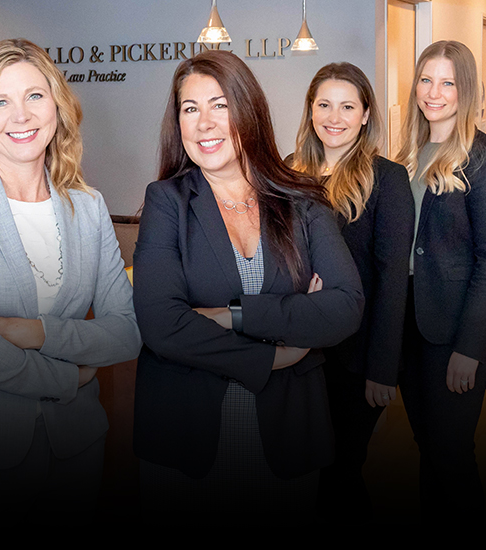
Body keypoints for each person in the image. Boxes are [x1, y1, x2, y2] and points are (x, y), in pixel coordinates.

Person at [133, 49, 364, 523]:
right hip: (187, 432)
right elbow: (161, 325)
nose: (204, 123)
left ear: (248, 111)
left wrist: (230, 315)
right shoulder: (166, 202)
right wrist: (280, 349)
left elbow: (345, 306)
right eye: (189, 109)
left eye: (219, 105)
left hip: (286, 432)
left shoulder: (302, 200)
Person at [0, 38, 139, 521]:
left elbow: (126, 331)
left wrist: (37, 333)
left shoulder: (89, 205)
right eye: (0, 101)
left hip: (74, 446)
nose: (21, 115)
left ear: (57, 105)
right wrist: (69, 376)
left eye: (34, 96)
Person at [393, 40, 486, 524]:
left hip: (462, 327)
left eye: (448, 82)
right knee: (427, 443)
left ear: (466, 90)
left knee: (449, 449)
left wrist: (471, 346)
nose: (434, 92)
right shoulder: (404, 154)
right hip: (412, 321)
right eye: (426, 79)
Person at [286, 62, 412, 522]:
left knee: (341, 470)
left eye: (347, 106)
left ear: (364, 115)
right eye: (323, 104)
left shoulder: (387, 178)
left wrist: (382, 369)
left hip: (355, 357)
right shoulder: (286, 172)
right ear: (310, 110)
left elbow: (393, 278)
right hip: (295, 349)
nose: (333, 117)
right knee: (303, 469)